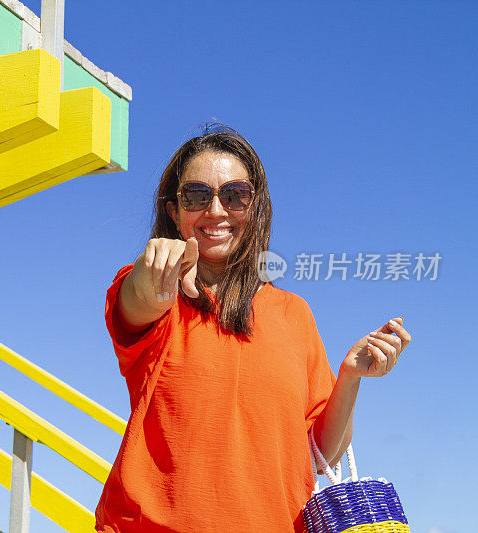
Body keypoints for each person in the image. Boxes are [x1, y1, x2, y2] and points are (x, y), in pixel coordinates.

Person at [94, 124, 411, 533]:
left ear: (254, 206)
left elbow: (322, 454)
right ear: (174, 210)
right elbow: (140, 298)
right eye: (195, 195)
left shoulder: (294, 313)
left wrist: (350, 376)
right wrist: (154, 271)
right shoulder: (158, 296)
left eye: (234, 195)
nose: (215, 210)